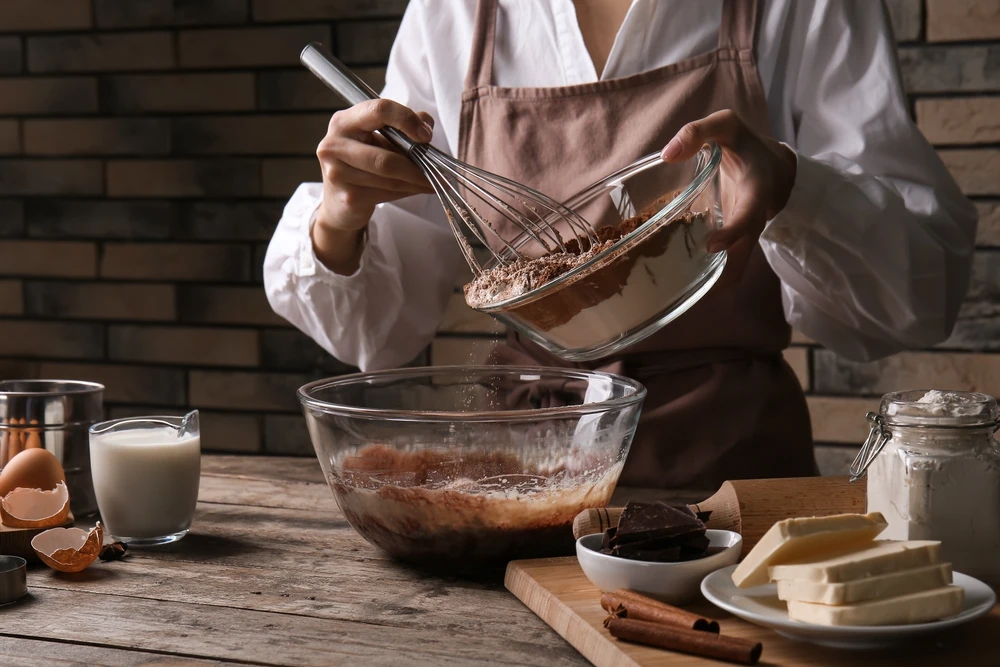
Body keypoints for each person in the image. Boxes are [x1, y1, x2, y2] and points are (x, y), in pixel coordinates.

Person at [264, 0, 977, 489]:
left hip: (733, 489)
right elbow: (381, 325)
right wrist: (341, 214)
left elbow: (919, 297)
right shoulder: (456, 14)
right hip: (520, 487)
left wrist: (795, 185)